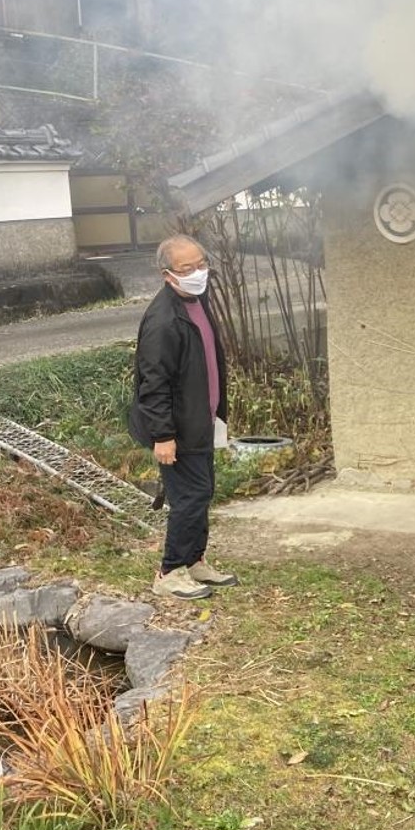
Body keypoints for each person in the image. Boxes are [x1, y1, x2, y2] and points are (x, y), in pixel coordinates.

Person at [128, 234, 238, 601]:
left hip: (201, 420)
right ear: (168, 275)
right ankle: (169, 571)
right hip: (177, 428)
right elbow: (153, 384)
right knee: (189, 497)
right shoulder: (163, 321)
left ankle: (194, 561)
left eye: (202, 264)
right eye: (187, 268)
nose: (198, 273)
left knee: (202, 493)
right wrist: (163, 436)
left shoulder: (196, 300)